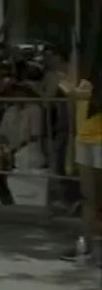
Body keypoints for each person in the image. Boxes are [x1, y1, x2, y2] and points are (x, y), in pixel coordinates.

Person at [61, 68, 100, 264]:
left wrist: (82, 93)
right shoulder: (83, 61)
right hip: (84, 135)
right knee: (88, 195)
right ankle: (86, 245)